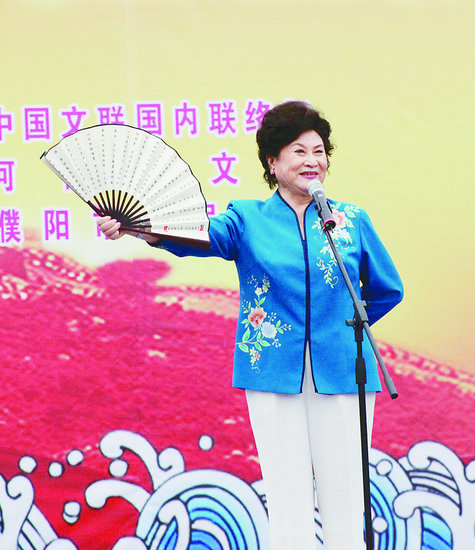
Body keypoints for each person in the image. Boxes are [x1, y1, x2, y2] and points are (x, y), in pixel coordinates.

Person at [97, 100, 403, 550]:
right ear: (272, 162)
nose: (312, 161)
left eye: (319, 151)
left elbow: (387, 288)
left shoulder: (350, 220)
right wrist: (138, 228)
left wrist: (345, 328)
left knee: (345, 501)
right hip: (271, 371)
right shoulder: (247, 219)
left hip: (342, 371)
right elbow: (199, 235)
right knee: (287, 500)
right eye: (299, 151)